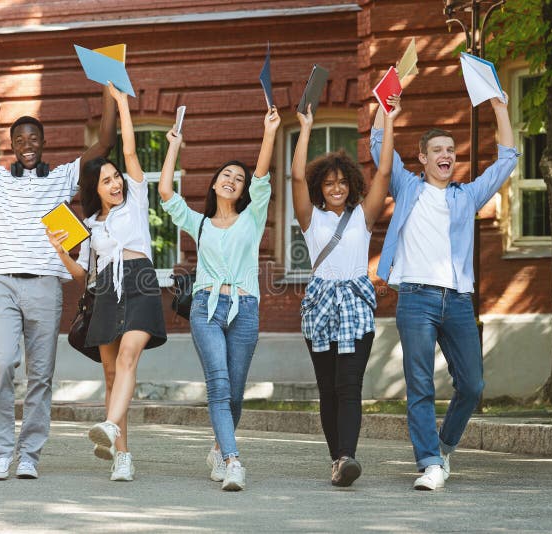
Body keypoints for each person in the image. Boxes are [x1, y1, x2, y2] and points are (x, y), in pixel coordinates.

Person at [0, 67, 117, 480]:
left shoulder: (61, 179)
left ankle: (30, 455)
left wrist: (109, 89)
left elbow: (105, 142)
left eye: (33, 139)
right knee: (2, 364)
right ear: (12, 145)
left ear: (43, 143)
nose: (26, 145)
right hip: (2, 283)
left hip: (44, 284)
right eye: (19, 140)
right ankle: (2, 450)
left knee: (41, 374)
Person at [369, 93, 517, 490]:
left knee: (472, 385)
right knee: (420, 383)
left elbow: (506, 161)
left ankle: (444, 446)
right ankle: (429, 462)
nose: (445, 154)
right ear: (423, 158)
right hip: (415, 298)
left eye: (450, 150)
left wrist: (500, 108)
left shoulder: (466, 196)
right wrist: (387, 113)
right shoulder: (405, 186)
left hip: (456, 300)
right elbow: (375, 147)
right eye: (437, 150)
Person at [48, 83, 168, 482]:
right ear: (94, 190)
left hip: (141, 281)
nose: (115, 183)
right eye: (107, 181)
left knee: (131, 357)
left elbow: (131, 151)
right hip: (105, 291)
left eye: (116, 176)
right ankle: (122, 456)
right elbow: (82, 274)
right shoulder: (90, 225)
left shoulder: (136, 199)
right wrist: (60, 249)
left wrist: (120, 104)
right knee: (112, 375)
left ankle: (111, 426)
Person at [158, 105, 281, 491]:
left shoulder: (253, 218)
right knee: (219, 384)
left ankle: (217, 448)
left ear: (243, 191)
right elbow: (164, 193)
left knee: (236, 391)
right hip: (205, 309)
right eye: (226, 175)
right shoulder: (199, 223)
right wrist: (173, 147)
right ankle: (233, 461)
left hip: (244, 309)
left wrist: (270, 131)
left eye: (238, 178)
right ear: (214, 184)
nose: (233, 179)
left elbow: (262, 175)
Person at [290, 97, 399, 487]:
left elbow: (384, 172)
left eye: (342, 182)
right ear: (322, 188)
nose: (335, 187)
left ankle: (348, 457)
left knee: (349, 385)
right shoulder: (312, 217)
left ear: (351, 184)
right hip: (319, 305)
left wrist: (387, 120)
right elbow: (297, 178)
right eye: (329, 183)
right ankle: (337, 459)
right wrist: (305, 127)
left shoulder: (363, 216)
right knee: (327, 388)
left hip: (355, 305)